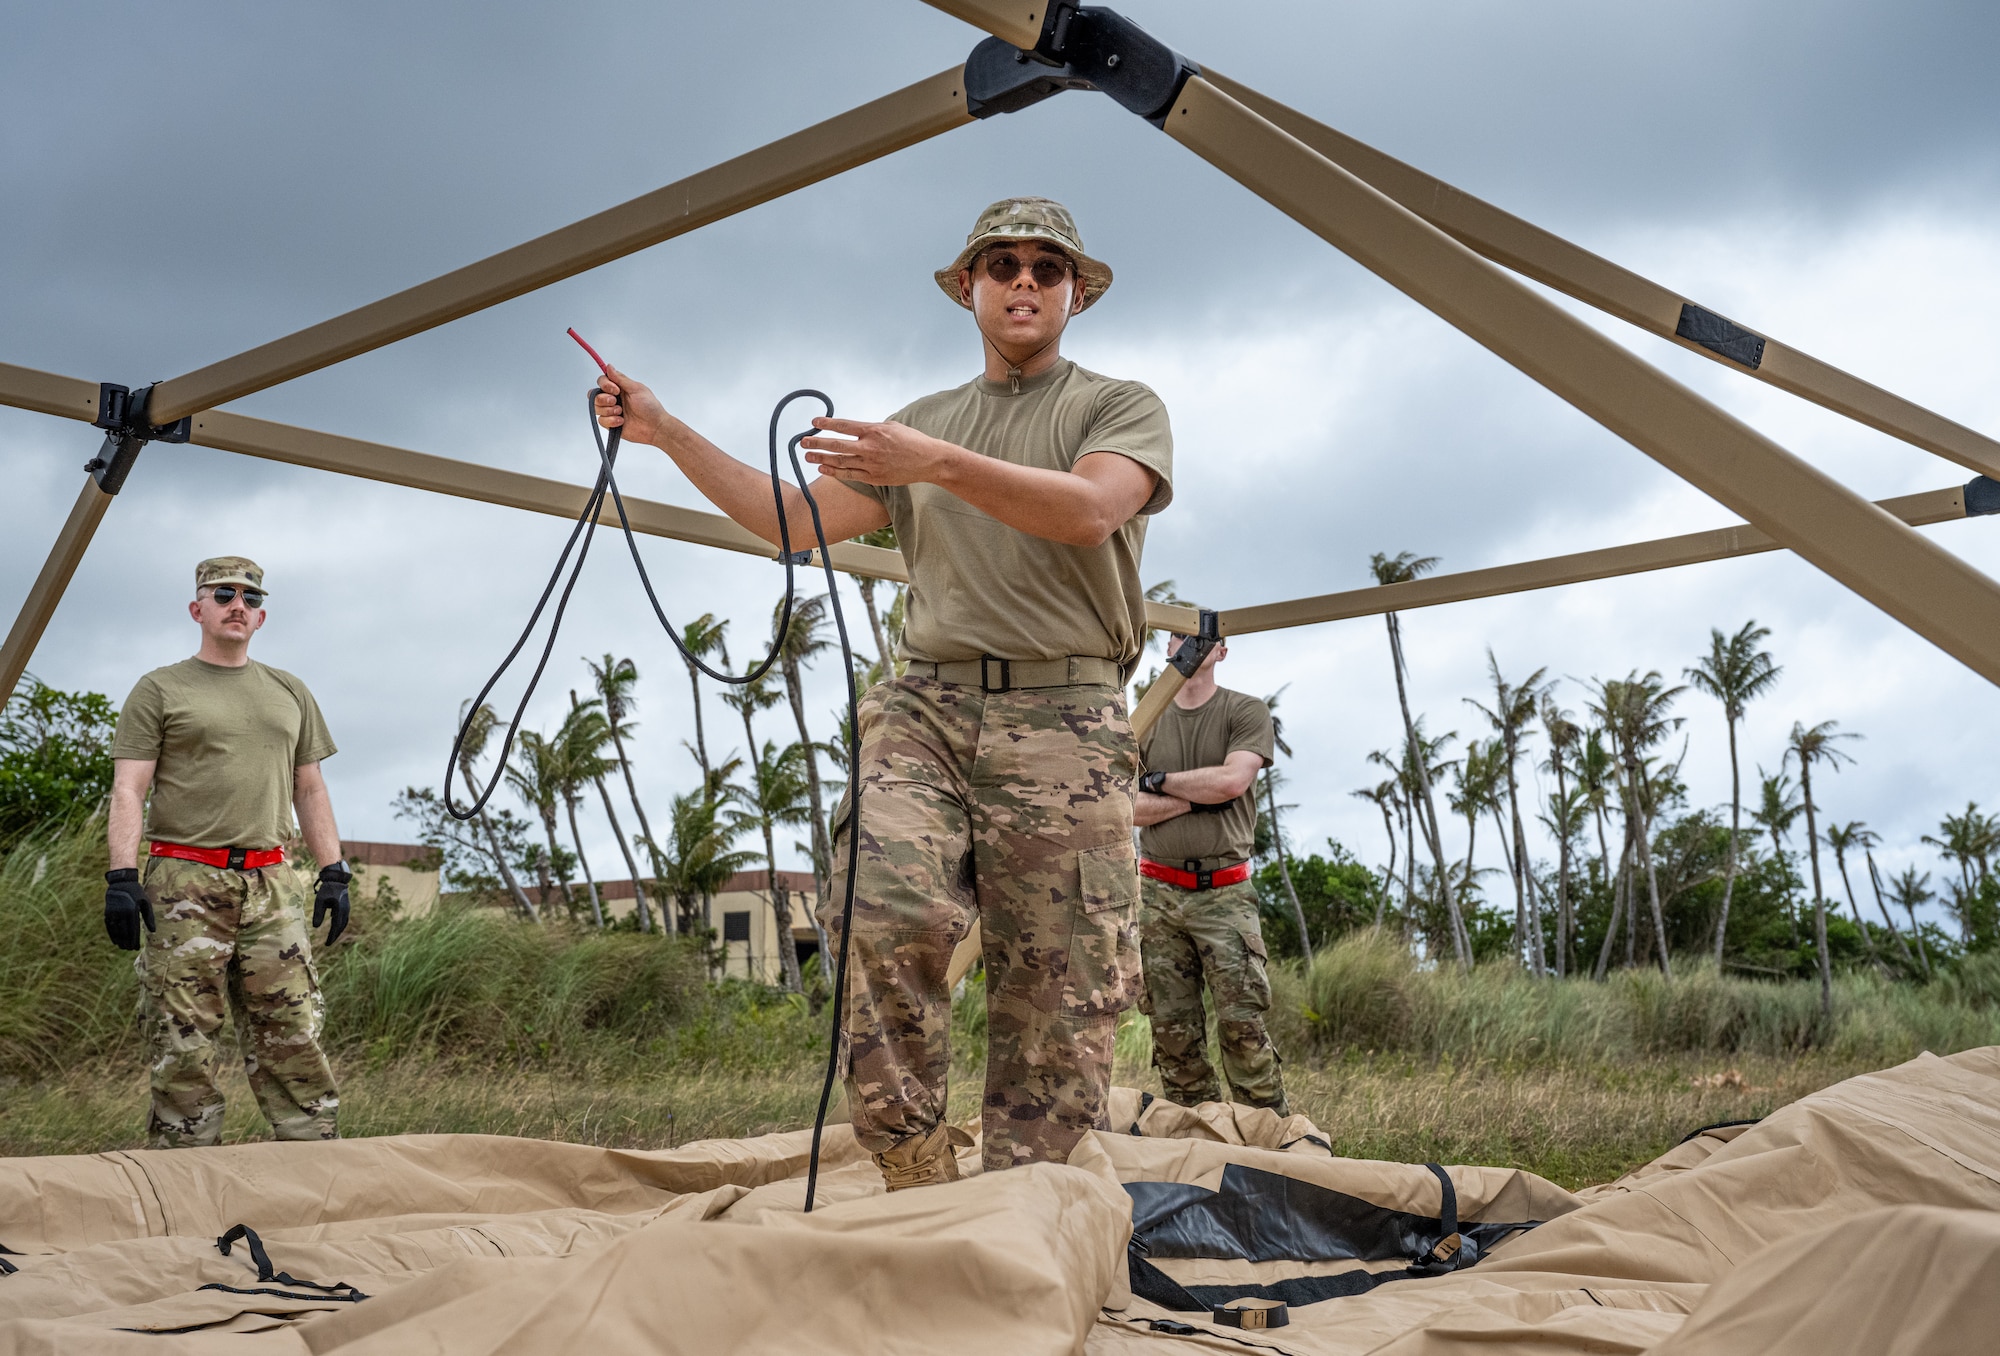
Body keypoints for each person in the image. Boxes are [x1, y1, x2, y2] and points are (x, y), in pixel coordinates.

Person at [594, 197, 1172, 1187]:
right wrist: (664, 430)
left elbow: (1087, 512)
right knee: (881, 904)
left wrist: (933, 464)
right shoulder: (920, 426)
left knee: (1058, 973)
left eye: (1045, 267)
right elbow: (790, 521)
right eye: (1001, 266)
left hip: (1063, 716)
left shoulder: (1116, 406)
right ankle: (910, 1170)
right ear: (967, 288)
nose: (1023, 282)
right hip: (926, 705)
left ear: (1077, 291)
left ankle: (1034, 1197)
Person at [104, 557, 349, 1148]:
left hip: (273, 884)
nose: (238, 604)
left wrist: (334, 871)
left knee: (292, 1030)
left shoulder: (290, 690)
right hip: (185, 881)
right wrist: (121, 875)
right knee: (183, 1037)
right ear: (199, 609)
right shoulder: (160, 688)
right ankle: (184, 1177)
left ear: (260, 617)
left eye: (250, 597)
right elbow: (129, 788)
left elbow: (309, 787)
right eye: (223, 594)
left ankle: (315, 1167)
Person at [1132, 629, 1290, 1115]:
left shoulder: (1245, 711)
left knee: (1243, 1027)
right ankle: (1197, 1140)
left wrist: (1157, 783)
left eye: (1204, 638)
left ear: (1221, 650)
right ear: (1167, 646)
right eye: (1181, 635)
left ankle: (1269, 1145)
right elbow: (1122, 805)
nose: (1192, 644)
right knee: (1172, 1032)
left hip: (1224, 894)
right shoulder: (1142, 719)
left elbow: (1231, 780)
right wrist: (1192, 800)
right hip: (1157, 893)